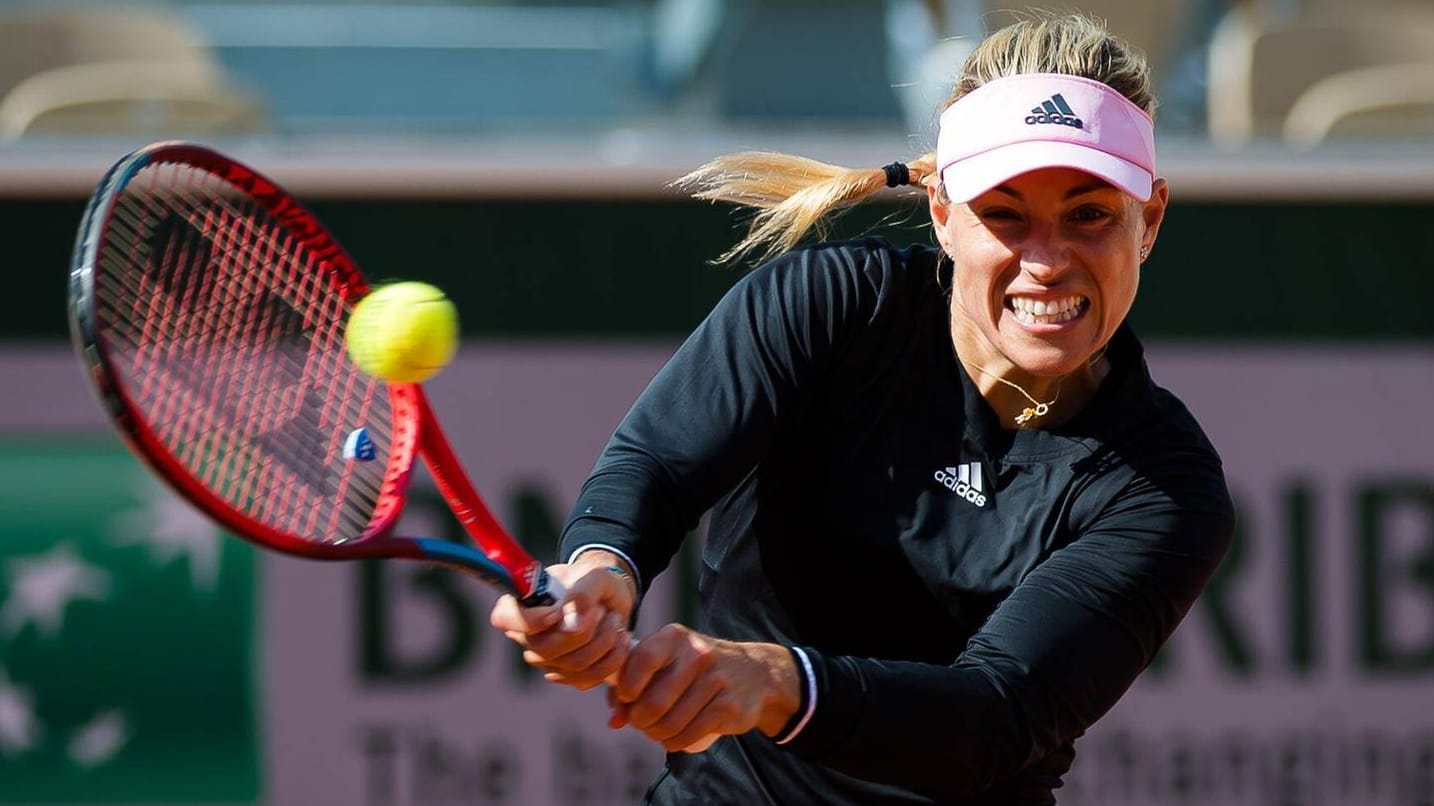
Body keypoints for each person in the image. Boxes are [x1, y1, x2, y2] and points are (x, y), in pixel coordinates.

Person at [491, 11, 1235, 805]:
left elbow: (994, 718)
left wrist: (780, 683)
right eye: (1005, 214)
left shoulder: (1166, 489)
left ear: (1147, 219)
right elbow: (658, 466)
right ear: (944, 214)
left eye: (1089, 214)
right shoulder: (829, 306)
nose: (1046, 261)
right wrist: (604, 566)